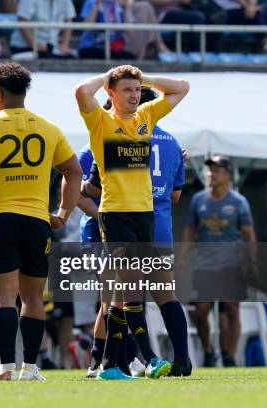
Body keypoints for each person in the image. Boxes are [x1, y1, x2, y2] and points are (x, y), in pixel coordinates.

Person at [0, 62, 83, 381]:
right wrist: (62, 213)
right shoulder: (48, 128)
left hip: (0, 219)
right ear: (25, 92)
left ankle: (6, 367)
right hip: (38, 220)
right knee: (34, 297)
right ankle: (31, 368)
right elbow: (73, 171)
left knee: (4, 297)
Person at [75, 65, 189, 380]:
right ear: (111, 93)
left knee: (121, 295)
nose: (135, 95)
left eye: (137, 90)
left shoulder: (145, 118)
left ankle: (110, 365)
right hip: (116, 215)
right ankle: (150, 358)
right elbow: (82, 92)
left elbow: (182, 86)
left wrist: (145, 79)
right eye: (127, 89)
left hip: (145, 215)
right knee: (130, 289)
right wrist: (106, 76)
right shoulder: (100, 122)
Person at [182, 155, 256, 368]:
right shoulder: (198, 200)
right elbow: (190, 230)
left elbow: (249, 234)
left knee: (232, 309)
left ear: (227, 176)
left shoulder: (239, 202)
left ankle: (230, 356)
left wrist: (252, 262)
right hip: (204, 265)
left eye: (215, 170)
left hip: (232, 264)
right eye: (209, 170)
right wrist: (182, 257)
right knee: (201, 310)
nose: (210, 174)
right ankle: (208, 351)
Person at [9, 0, 76, 58]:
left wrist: (64, 45)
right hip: (24, 47)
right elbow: (22, 21)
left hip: (50, 48)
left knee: (71, 58)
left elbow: (68, 21)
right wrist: (35, 45)